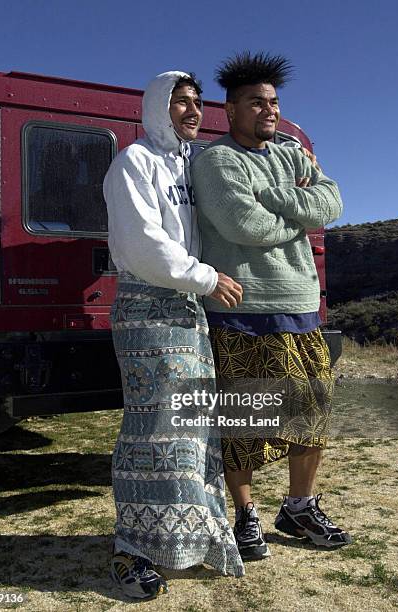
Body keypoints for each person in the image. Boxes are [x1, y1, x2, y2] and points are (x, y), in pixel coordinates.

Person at [192, 51, 352, 561]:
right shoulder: (216, 160)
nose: (269, 111)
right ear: (230, 109)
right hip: (241, 306)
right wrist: (298, 211)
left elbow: (332, 202)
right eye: (257, 102)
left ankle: (299, 505)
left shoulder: (290, 151)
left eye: (274, 102)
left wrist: (278, 199)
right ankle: (244, 514)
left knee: (312, 413)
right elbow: (246, 226)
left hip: (302, 304)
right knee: (244, 419)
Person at [103, 71, 244, 600]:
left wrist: (297, 171)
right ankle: (132, 547)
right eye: (180, 102)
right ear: (158, 106)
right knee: (152, 430)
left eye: (196, 102)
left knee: (191, 428)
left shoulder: (191, 164)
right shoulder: (133, 162)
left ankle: (186, 538)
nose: (192, 111)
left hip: (187, 311)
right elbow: (143, 245)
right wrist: (206, 278)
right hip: (148, 308)